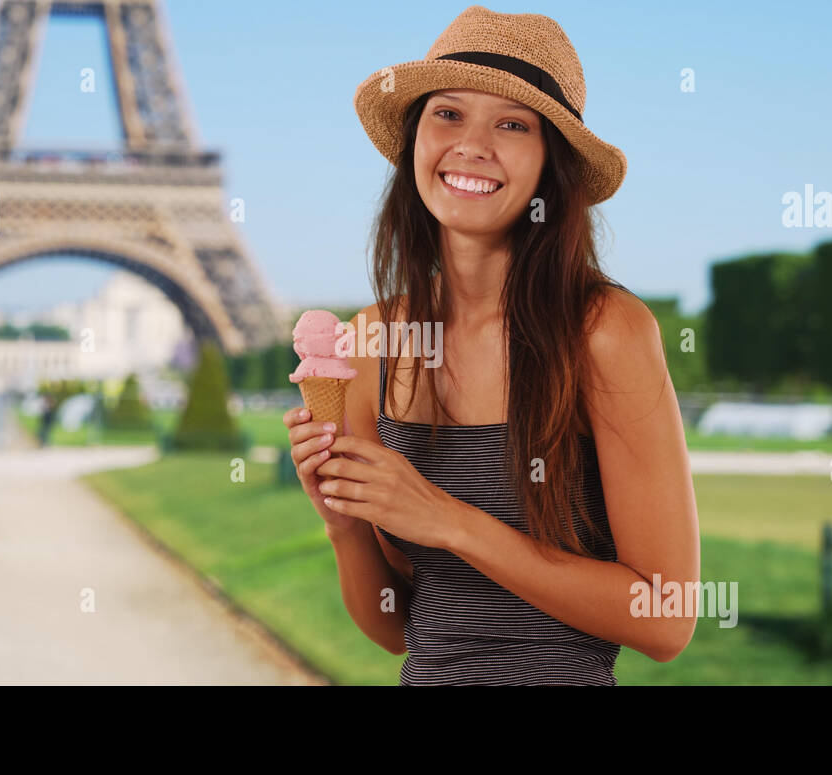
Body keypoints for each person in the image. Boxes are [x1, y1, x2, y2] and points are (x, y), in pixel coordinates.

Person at [283, 7, 698, 685]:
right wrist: (343, 525)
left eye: (512, 124)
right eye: (448, 114)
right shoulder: (372, 344)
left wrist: (448, 519)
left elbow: (666, 618)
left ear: (550, 166)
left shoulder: (605, 331)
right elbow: (396, 628)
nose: (472, 145)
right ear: (416, 137)